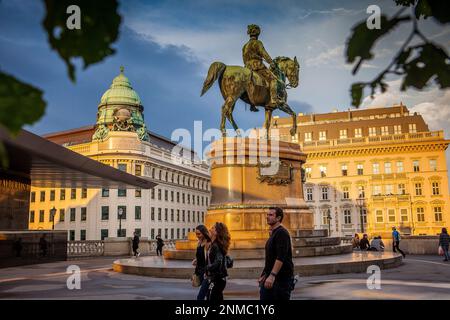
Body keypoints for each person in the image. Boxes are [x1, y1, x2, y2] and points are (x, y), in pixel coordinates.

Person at [242, 24, 284, 109]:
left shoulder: (245, 46)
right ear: (257, 33)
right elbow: (264, 53)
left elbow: (244, 58)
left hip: (247, 67)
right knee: (273, 79)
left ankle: (252, 105)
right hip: (257, 66)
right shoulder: (258, 43)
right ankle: (273, 99)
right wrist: (271, 63)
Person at [259, 207, 295, 301]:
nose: (267, 217)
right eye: (267, 215)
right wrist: (264, 274)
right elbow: (271, 257)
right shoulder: (274, 233)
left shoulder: (281, 233)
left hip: (280, 280)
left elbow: (280, 257)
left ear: (278, 218)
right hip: (272, 279)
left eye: (271, 215)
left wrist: (272, 276)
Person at [205, 222, 230, 302]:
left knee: (211, 297)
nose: (210, 229)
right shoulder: (214, 244)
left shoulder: (216, 246)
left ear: (216, 232)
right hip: (218, 278)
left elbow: (218, 262)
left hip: (217, 279)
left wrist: (206, 268)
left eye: (212, 228)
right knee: (215, 297)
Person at [192, 225, 211, 300]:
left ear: (204, 233)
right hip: (199, 271)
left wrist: (208, 272)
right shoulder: (199, 242)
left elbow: (209, 258)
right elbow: (200, 255)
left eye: (199, 234)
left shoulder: (208, 243)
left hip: (206, 273)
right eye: (196, 234)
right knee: (208, 294)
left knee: (200, 297)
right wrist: (196, 260)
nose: (197, 236)